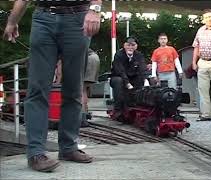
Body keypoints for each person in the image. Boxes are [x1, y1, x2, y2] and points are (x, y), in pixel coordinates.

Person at [3, 0, 102, 172]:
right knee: (37, 89)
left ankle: (68, 147)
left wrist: (95, 10)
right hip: (44, 18)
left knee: (73, 88)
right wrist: (12, 21)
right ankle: (36, 153)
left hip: (77, 18)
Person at [110, 37, 148, 119]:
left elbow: (142, 68)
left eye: (133, 45)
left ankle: (138, 105)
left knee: (142, 80)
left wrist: (145, 80)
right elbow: (120, 71)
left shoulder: (139, 55)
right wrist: (127, 83)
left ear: (136, 46)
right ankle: (118, 109)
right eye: (128, 45)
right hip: (119, 76)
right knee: (118, 81)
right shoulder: (119, 55)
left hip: (133, 77)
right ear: (124, 45)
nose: (130, 47)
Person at [81, 48, 100, 127]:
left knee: (80, 89)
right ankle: (85, 112)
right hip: (95, 58)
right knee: (84, 89)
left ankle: (82, 115)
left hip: (88, 59)